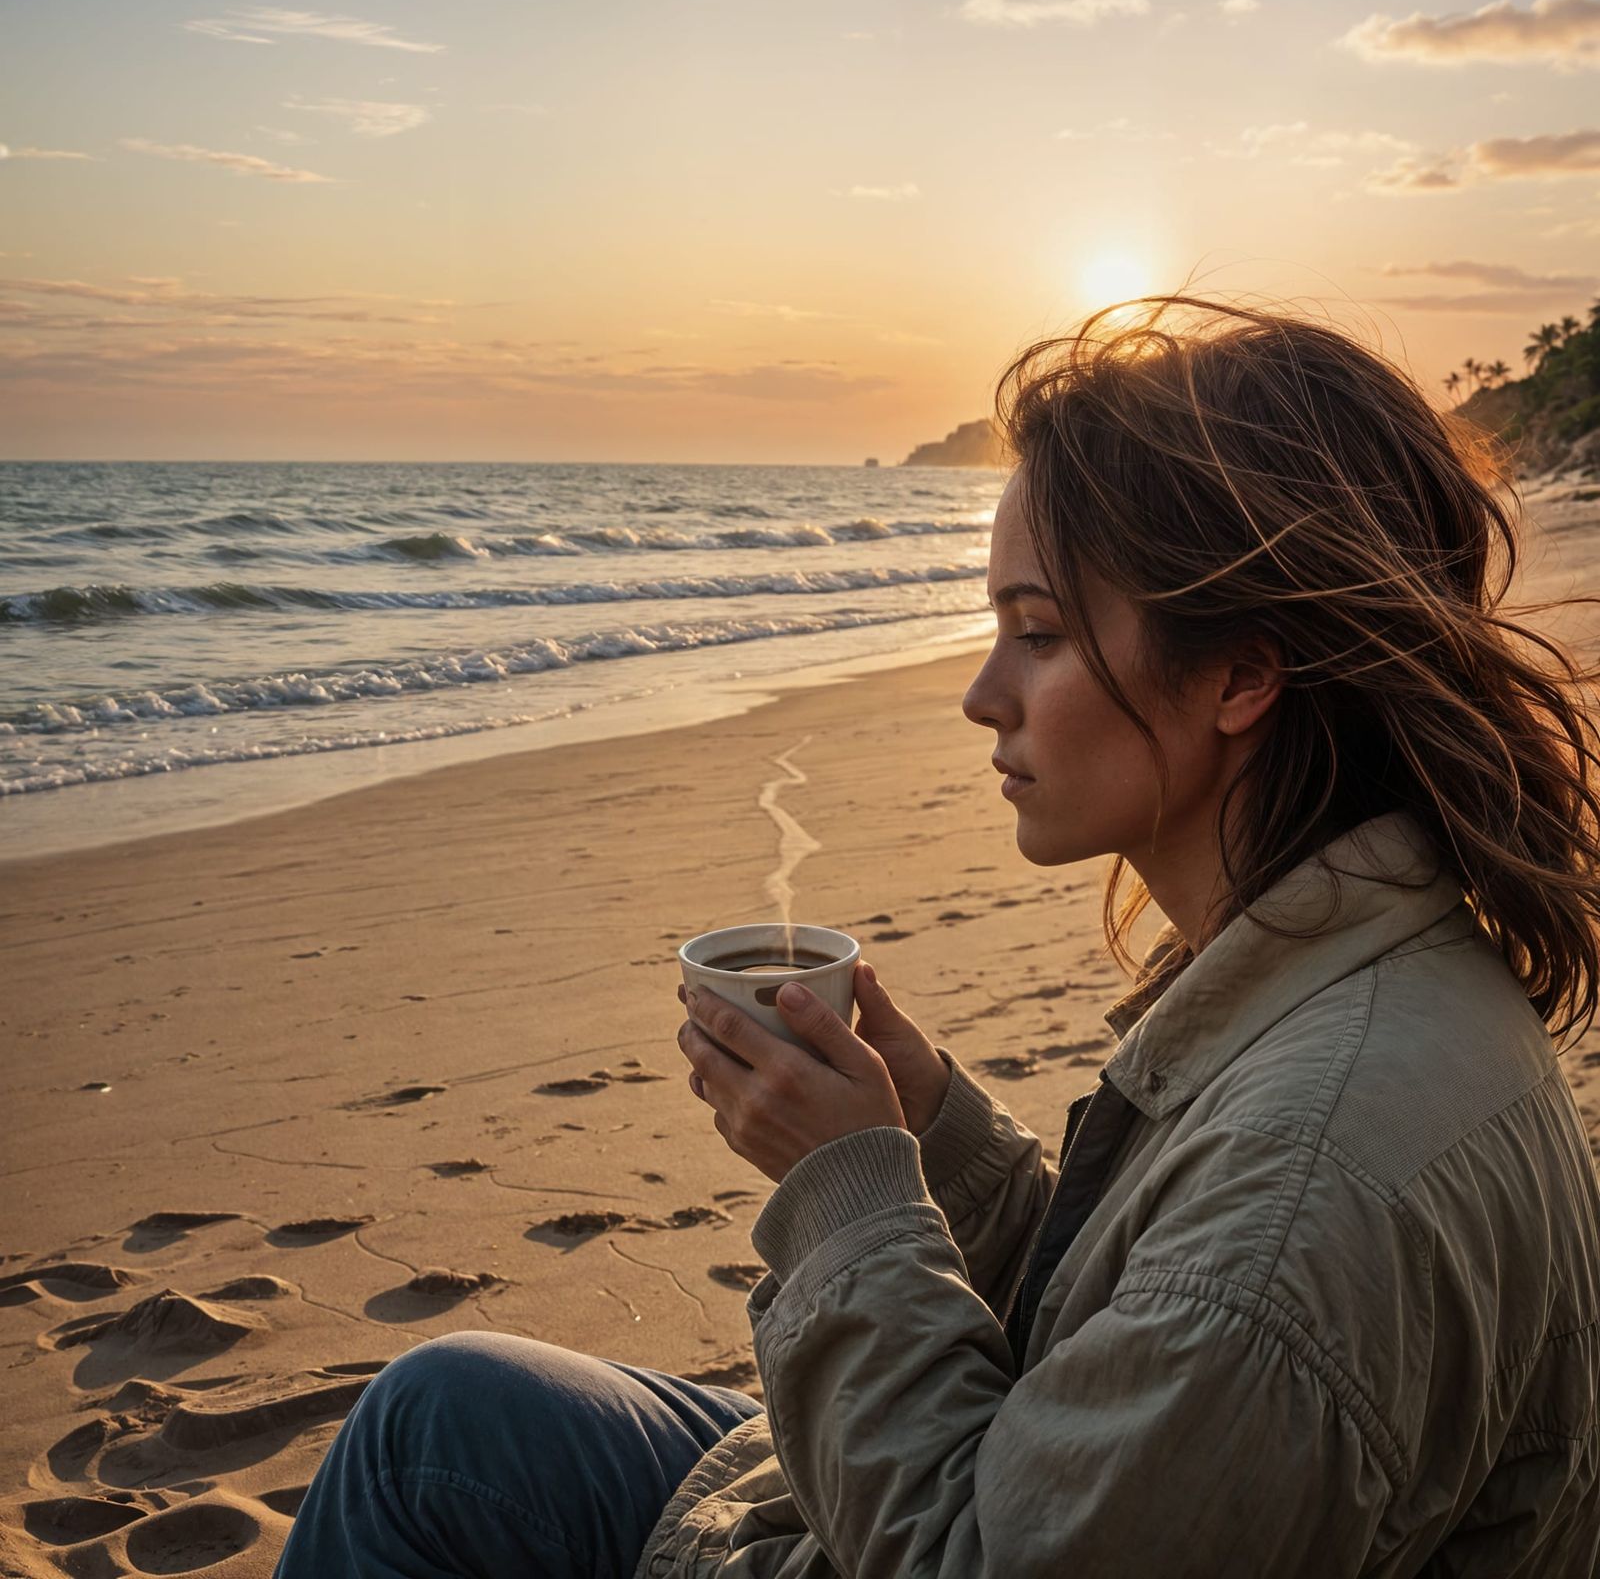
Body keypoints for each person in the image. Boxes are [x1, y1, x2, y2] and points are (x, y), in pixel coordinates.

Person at [276, 297, 1600, 1578]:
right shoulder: (1365, 971)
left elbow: (991, 1542)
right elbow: (1129, 1339)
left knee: (421, 1451)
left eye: (1039, 635)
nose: (983, 696)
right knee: (447, 1420)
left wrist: (847, 1187)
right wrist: (933, 1139)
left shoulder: (1311, 1185)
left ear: (1244, 674)